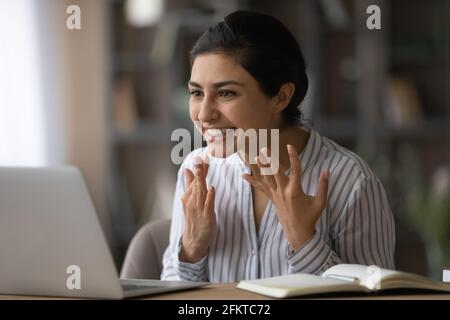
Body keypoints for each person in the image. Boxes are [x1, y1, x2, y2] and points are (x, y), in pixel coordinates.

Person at [161, 10, 395, 282]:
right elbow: (170, 288)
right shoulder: (196, 170)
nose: (203, 114)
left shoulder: (352, 181)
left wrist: (304, 241)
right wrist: (191, 250)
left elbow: (377, 295)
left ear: (281, 97)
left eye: (226, 93)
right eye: (197, 93)